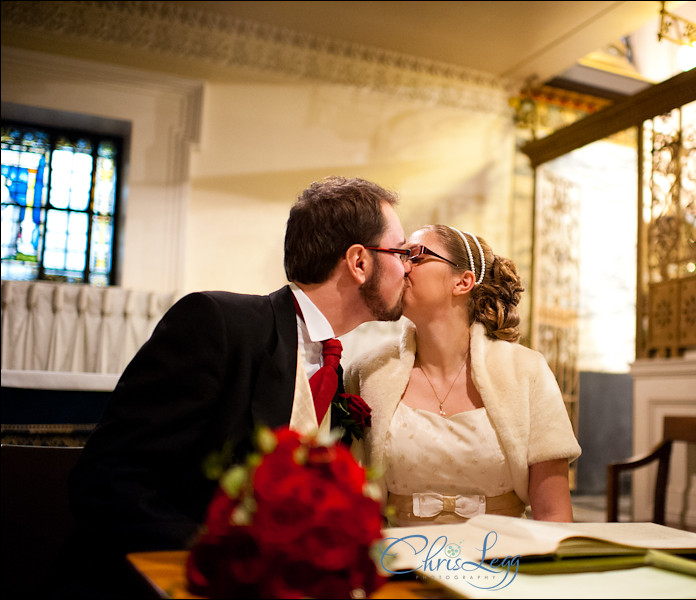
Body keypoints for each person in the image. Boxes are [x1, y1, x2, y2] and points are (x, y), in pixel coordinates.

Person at [58, 176, 411, 597]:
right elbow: (108, 481)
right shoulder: (218, 324)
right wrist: (233, 561)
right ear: (359, 262)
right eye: (401, 251)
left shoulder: (335, 368)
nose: (408, 265)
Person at [345, 224, 581, 526]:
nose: (400, 267)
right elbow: (357, 509)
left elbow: (554, 515)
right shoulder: (368, 373)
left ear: (463, 281)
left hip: (502, 561)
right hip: (403, 562)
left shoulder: (527, 372)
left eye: (415, 255)